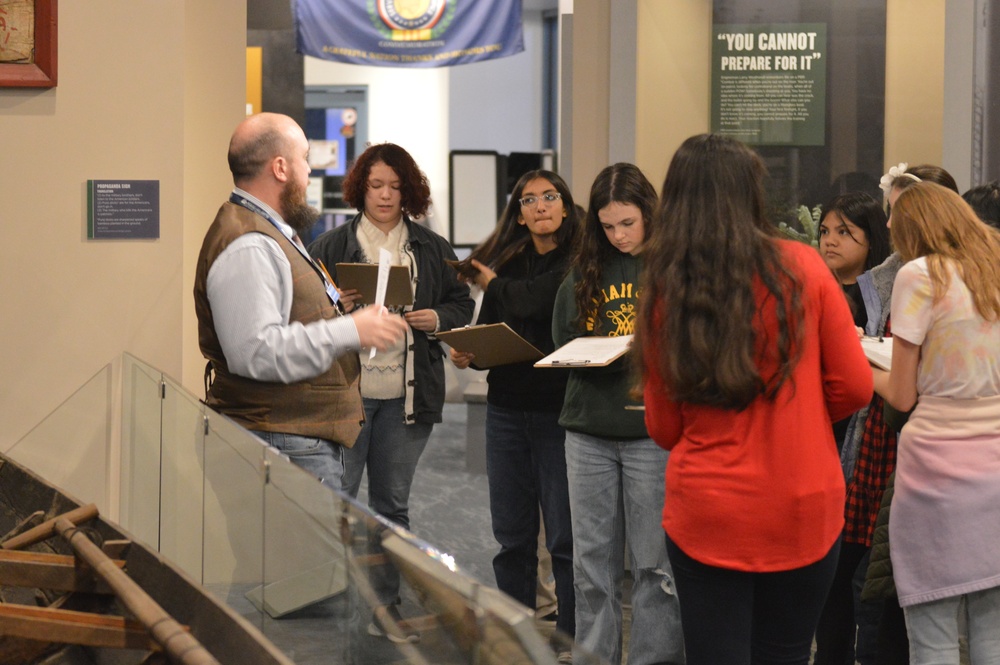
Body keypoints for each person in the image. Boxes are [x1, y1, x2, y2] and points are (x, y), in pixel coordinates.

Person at [637, 134, 873, 665]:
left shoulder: (667, 284)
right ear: (751, 193)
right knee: (785, 655)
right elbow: (856, 387)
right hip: (803, 505)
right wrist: (804, 415)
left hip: (708, 511)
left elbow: (664, 428)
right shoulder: (805, 266)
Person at [308, 142, 474, 641]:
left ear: (409, 191)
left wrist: (437, 318)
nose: (385, 196)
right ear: (361, 189)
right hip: (346, 396)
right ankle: (336, 605)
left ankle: (385, 608)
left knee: (392, 508)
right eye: (376, 186)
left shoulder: (432, 246)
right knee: (338, 504)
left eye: (395, 186)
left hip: (407, 398)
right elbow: (305, 311)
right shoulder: (331, 245)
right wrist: (339, 303)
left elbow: (461, 304)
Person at [193, 112, 407, 489]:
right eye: (304, 159)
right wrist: (350, 329)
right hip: (278, 440)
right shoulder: (249, 244)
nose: (309, 173)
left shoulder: (266, 230)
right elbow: (255, 352)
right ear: (280, 168)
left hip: (288, 437)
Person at [552, 163, 684, 665]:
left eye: (628, 223)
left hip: (650, 431)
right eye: (608, 226)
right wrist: (596, 350)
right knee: (591, 565)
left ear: (649, 213)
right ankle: (594, 658)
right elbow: (563, 338)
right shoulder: (588, 267)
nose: (619, 235)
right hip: (588, 431)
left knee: (654, 565)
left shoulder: (672, 266)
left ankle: (654, 658)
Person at [871, 182, 1000, 664]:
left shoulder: (920, 273)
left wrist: (858, 362)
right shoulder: (993, 267)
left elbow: (902, 394)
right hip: (996, 470)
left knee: (933, 632)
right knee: (992, 633)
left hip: (937, 472)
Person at [449, 170, 579, 642]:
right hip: (505, 410)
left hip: (557, 413)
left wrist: (493, 282)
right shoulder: (514, 262)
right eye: (528, 200)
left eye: (549, 197)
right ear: (519, 215)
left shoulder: (577, 260)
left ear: (565, 206)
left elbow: (536, 301)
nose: (540, 206)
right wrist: (469, 352)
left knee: (564, 539)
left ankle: (570, 639)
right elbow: (494, 322)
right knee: (512, 536)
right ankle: (519, 636)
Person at [813, 192, 892, 665]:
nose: (830, 241)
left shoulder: (878, 296)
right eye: (824, 231)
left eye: (844, 232)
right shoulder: (811, 288)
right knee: (829, 583)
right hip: (820, 436)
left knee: (858, 574)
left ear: (871, 238)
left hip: (864, 441)